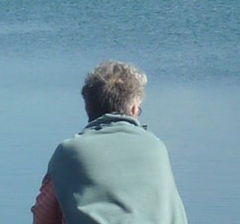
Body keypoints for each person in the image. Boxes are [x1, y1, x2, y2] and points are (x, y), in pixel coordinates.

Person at [32, 61, 186, 224]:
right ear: (133, 109)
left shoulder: (69, 152)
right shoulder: (155, 147)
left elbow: (43, 215)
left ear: (87, 107)